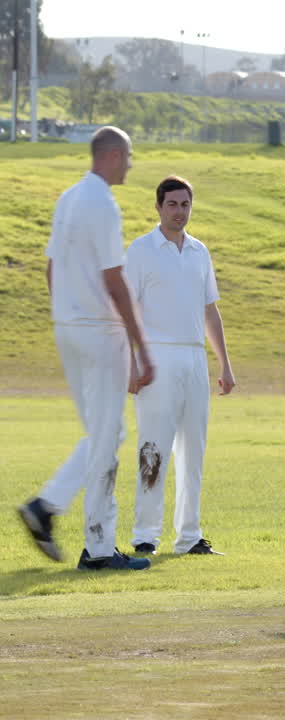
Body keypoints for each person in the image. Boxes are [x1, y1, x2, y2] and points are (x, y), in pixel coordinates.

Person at [16, 126, 155, 571]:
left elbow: (52, 267)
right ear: (113, 156)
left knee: (104, 434)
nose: (131, 164)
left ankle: (58, 514)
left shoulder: (69, 198)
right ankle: (91, 542)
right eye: (129, 156)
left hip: (69, 328)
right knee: (107, 435)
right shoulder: (103, 205)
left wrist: (65, 314)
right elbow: (115, 281)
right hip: (99, 331)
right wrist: (141, 347)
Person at [124, 175, 235, 557]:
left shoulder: (199, 252)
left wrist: (224, 363)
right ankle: (144, 535)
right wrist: (131, 364)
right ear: (158, 207)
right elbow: (127, 311)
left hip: (193, 359)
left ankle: (189, 536)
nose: (179, 212)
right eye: (172, 204)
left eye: (185, 204)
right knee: (153, 447)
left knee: (194, 451)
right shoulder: (140, 251)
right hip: (156, 357)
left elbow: (210, 310)